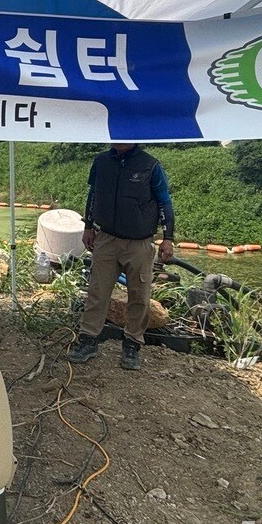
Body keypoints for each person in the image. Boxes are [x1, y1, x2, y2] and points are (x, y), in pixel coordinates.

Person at [69, 143, 176, 372]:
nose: (117, 139)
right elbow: (93, 194)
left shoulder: (150, 165)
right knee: (97, 291)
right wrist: (88, 227)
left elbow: (164, 201)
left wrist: (168, 238)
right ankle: (88, 340)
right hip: (106, 238)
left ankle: (132, 345)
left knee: (139, 295)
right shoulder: (101, 162)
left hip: (139, 242)